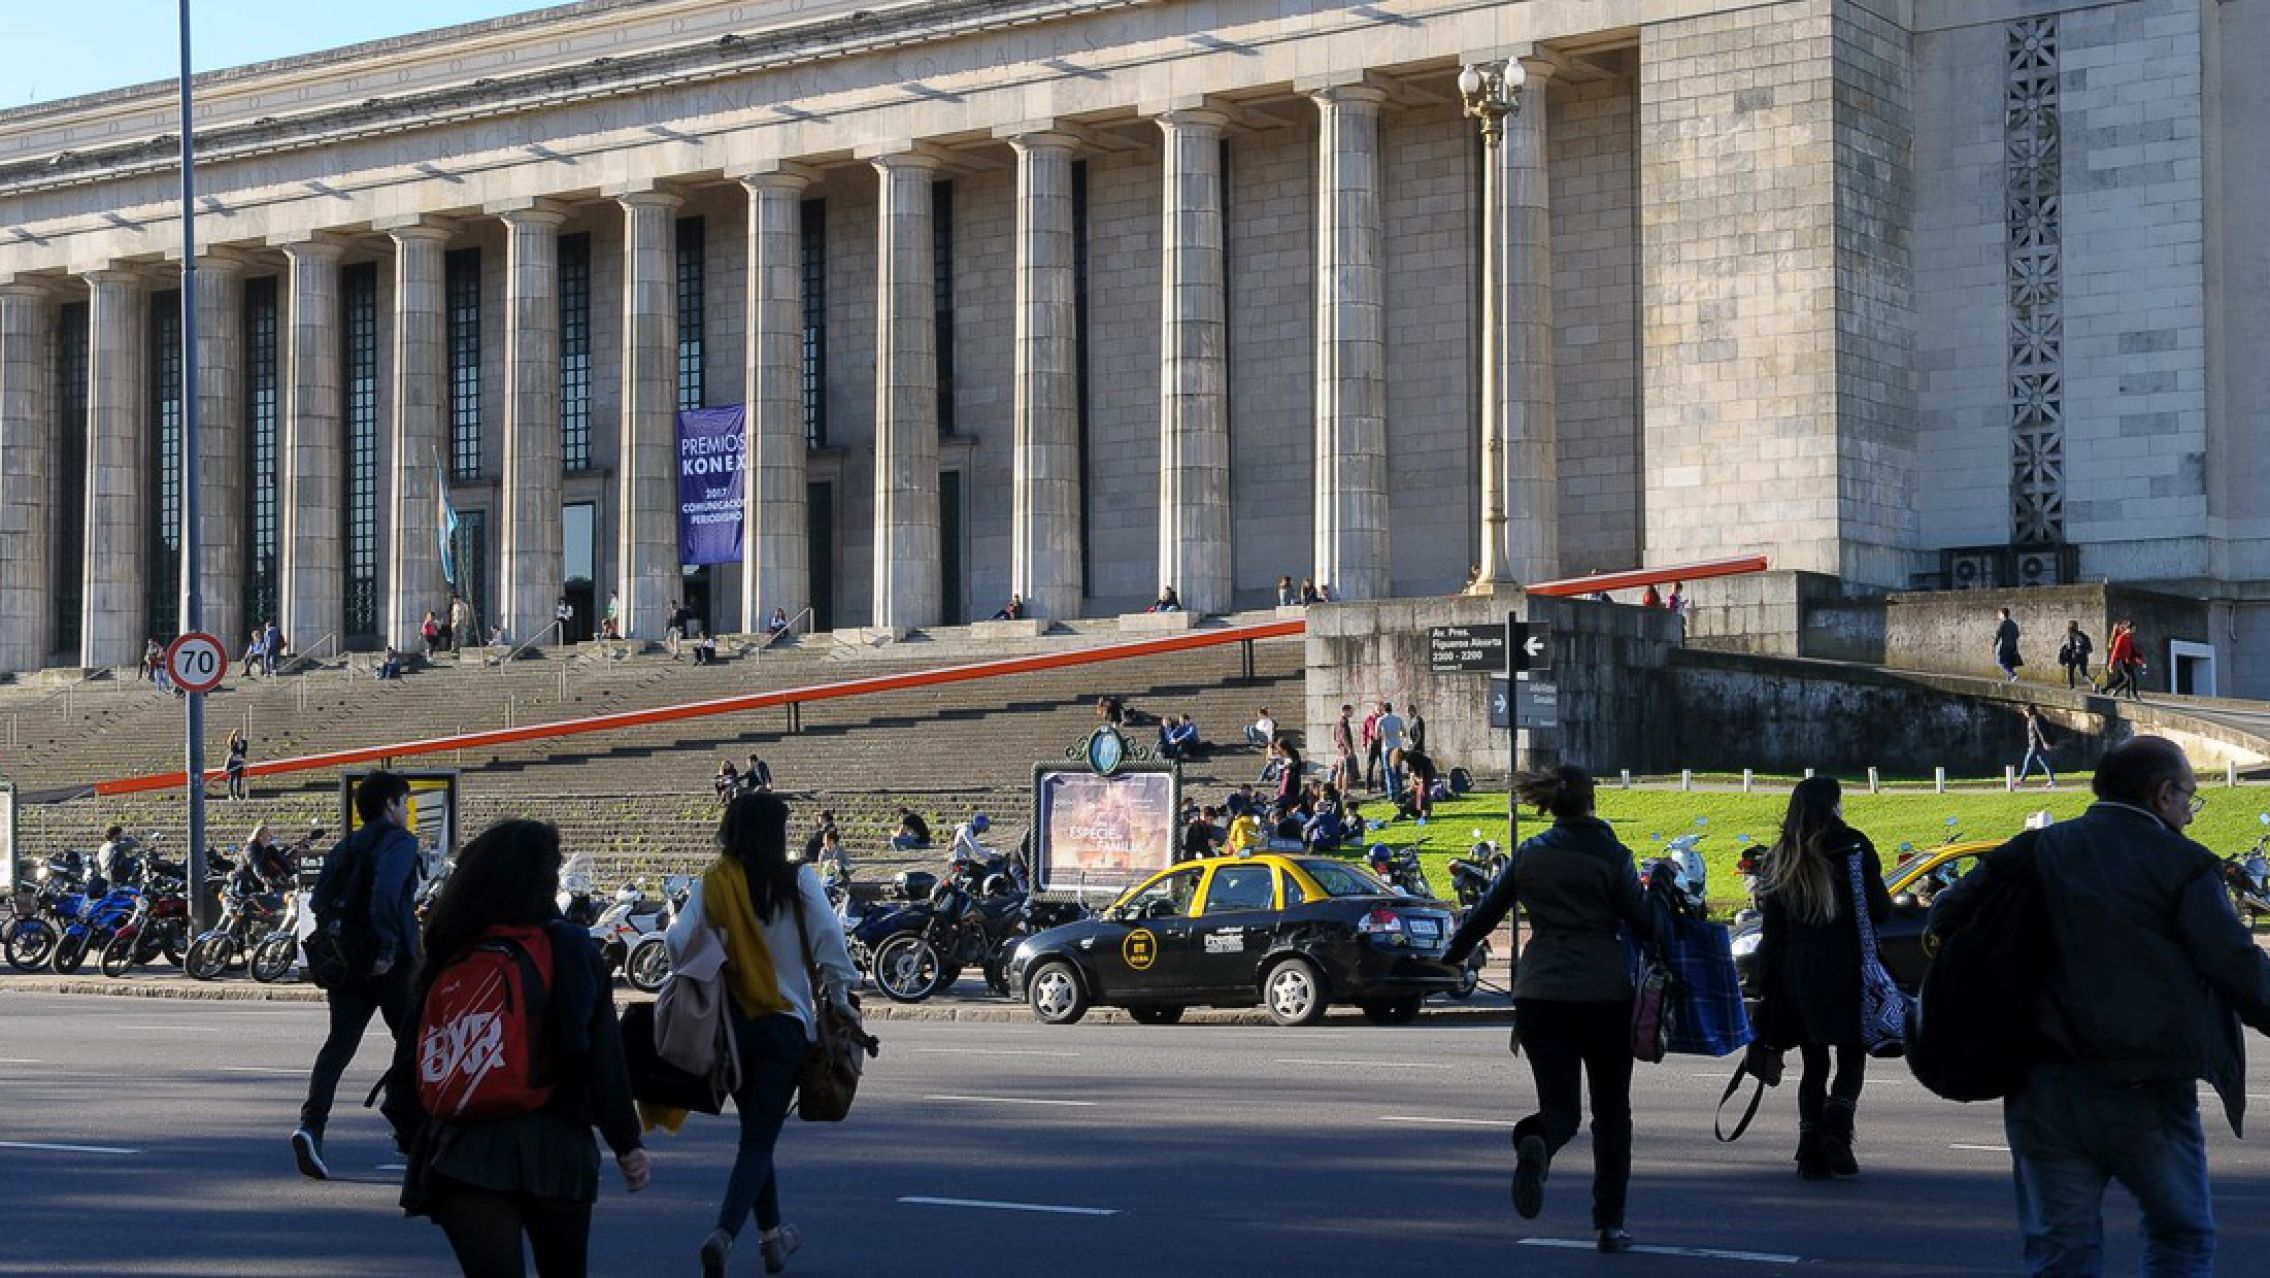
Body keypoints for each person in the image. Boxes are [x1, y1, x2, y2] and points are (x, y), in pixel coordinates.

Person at [1930, 737, 2270, 1273]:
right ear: (2162, 795)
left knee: (2061, 1256)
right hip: (2147, 1088)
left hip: (2040, 1087)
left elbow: (1946, 915)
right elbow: (2236, 966)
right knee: (2180, 1238)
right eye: (2188, 797)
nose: (2190, 812)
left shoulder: (2035, 850)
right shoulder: (2184, 864)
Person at [395, 819, 649, 1277]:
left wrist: (417, 1136)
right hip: (555, 1145)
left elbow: (409, 1061)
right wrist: (626, 1144)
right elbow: (602, 1058)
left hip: (465, 1150)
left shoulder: (451, 948)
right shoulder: (569, 946)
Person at [1442, 766, 1651, 1253]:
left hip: (1539, 994)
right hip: (1604, 996)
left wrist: (1448, 961)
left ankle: (1538, 1140)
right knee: (1612, 1115)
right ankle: (1609, 1224)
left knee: (1560, 1111)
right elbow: (1646, 924)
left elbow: (1482, 916)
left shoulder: (1530, 854)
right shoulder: (1613, 855)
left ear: (1550, 805)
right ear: (1591, 802)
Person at [670, 791, 861, 1278]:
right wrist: (842, 1002)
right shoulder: (797, 879)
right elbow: (830, 944)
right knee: (758, 1142)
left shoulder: (714, 883)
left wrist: (718, 951)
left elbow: (674, 942)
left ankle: (773, 1239)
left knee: (756, 1133)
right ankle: (725, 1233)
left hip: (732, 1031)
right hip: (784, 1028)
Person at [1754, 776, 1893, 1181]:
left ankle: (1808, 1152)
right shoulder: (1853, 846)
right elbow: (1880, 909)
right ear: (1833, 806)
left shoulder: (1782, 854)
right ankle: (1837, 1123)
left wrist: (1767, 986)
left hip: (1797, 971)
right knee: (1851, 1053)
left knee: (1814, 1062)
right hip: (1847, 965)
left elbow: (1772, 932)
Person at [294, 771, 422, 1180]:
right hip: (391, 963)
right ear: (389, 805)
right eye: (404, 802)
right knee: (413, 1044)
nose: (406, 810)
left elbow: (318, 900)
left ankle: (311, 1125)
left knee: (339, 1045)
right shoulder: (400, 842)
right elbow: (386, 893)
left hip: (346, 962)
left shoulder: (347, 844)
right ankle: (409, 1129)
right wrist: (385, 947)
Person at [2019, 705, 2057, 790]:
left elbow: (2040, 731)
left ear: (2029, 711)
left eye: (2025, 712)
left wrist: (2044, 742)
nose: (2024, 713)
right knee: (2045, 762)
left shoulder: (2034, 719)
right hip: (2037, 744)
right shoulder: (2038, 718)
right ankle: (2052, 781)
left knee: (2028, 762)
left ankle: (2021, 781)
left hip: (2035, 745)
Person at [1330, 704, 1360, 792]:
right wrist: (1349, 748)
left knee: (1339, 770)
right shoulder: (1344, 722)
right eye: (1351, 711)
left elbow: (1335, 737)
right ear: (1346, 711)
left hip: (1340, 750)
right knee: (1346, 771)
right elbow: (1344, 736)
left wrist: (1339, 745)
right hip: (1346, 750)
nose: (1352, 713)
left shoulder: (1337, 722)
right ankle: (1344, 791)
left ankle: (1337, 790)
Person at [2056, 621, 2092, 690]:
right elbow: (2089, 649)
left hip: (2077, 657)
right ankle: (2092, 684)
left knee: (2074, 671)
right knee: (2081, 673)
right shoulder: (2081, 636)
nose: (2069, 629)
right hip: (2079, 657)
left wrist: (2066, 654)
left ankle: (2072, 685)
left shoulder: (2076, 636)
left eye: (2070, 627)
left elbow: (2070, 648)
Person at [1995, 607, 2024, 683]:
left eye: (1999, 614)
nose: (1998, 615)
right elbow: (2017, 635)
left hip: (2005, 646)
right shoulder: (2014, 624)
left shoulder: (2003, 624)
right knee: (2009, 661)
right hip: (2013, 646)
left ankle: (2013, 674)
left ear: (2003, 614)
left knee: (2001, 661)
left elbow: (1998, 635)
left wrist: (1994, 645)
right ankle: (2009, 678)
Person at [1360, 703, 1384, 792]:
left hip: (1382, 743)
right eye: (1378, 709)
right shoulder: (1369, 719)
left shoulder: (1383, 719)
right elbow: (1364, 733)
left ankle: (1381, 785)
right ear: (1374, 709)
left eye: (1381, 709)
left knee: (1383, 765)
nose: (1380, 711)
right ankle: (1368, 787)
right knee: (1370, 766)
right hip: (1372, 743)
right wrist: (1364, 745)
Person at [225, 728, 250, 801]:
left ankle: (238, 794)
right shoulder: (232, 741)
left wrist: (243, 759)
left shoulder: (244, 742)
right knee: (231, 778)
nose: (238, 735)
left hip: (240, 761)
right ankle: (231, 794)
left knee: (239, 778)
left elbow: (244, 750)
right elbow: (232, 750)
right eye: (237, 733)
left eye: (239, 733)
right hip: (233, 761)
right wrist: (235, 742)